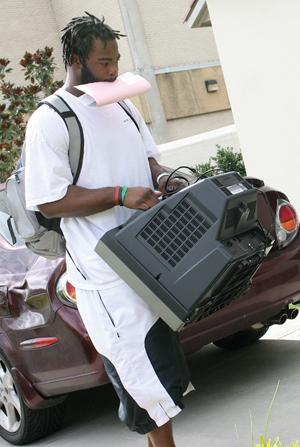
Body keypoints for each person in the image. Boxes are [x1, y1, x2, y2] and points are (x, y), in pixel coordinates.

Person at [25, 12, 193, 447]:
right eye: (104, 62)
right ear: (77, 60)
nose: (115, 70)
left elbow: (150, 160)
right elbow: (49, 199)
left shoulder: (121, 104)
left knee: (165, 365)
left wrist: (165, 178)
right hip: (106, 273)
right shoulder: (50, 119)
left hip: (152, 253)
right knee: (141, 372)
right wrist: (119, 194)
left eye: (117, 59)